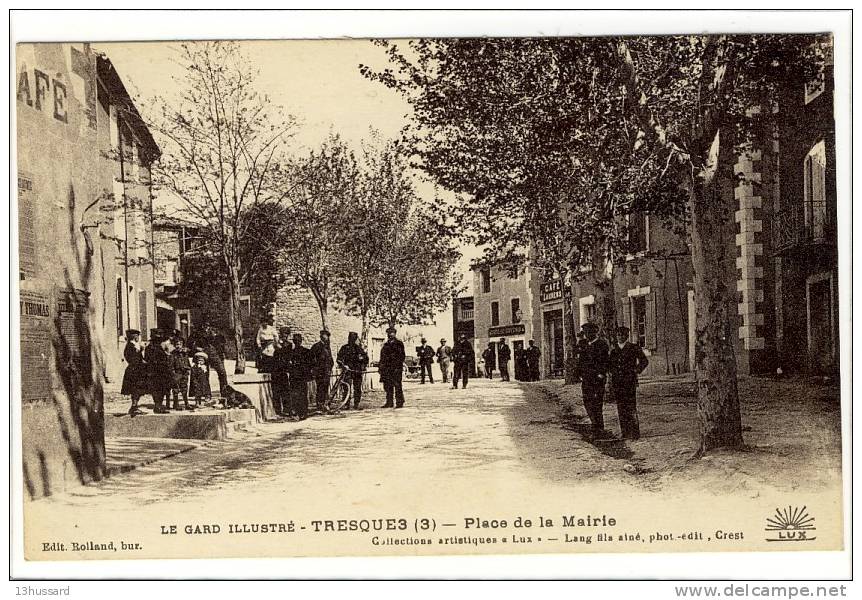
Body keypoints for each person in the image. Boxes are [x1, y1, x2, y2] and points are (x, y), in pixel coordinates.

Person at [608, 326, 649, 440]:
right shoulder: (614, 350)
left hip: (629, 381)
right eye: (618, 335)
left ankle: (635, 433)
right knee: (621, 407)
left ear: (626, 336)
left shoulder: (633, 347)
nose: (620, 337)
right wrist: (612, 372)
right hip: (617, 382)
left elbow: (644, 361)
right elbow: (610, 364)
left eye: (622, 335)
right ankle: (625, 432)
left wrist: (636, 370)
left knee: (631, 406)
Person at [579, 322, 610, 435]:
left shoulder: (602, 344)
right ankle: (594, 424)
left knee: (597, 403)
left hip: (597, 379)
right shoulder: (584, 345)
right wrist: (580, 374)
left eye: (589, 332)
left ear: (595, 332)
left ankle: (599, 427)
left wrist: (601, 373)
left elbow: (606, 361)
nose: (587, 334)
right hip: (586, 379)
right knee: (587, 401)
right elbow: (581, 361)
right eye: (585, 332)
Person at [336, 332, 370, 409]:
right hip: (347, 371)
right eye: (350, 338)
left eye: (353, 339)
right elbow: (338, 359)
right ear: (348, 338)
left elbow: (366, 359)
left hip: (356, 371)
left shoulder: (358, 348)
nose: (351, 340)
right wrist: (343, 365)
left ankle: (356, 404)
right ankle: (346, 404)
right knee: (346, 387)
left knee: (357, 388)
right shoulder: (344, 348)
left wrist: (362, 367)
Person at [121, 329, 148, 416]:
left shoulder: (134, 346)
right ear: (133, 336)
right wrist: (141, 350)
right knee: (135, 389)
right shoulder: (130, 346)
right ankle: (134, 407)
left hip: (137, 370)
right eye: (137, 336)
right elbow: (133, 359)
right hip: (134, 371)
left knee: (138, 389)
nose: (138, 338)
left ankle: (134, 407)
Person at [146, 334, 175, 414]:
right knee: (158, 389)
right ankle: (158, 406)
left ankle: (159, 405)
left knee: (161, 389)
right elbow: (150, 360)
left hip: (161, 372)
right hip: (157, 372)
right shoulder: (153, 348)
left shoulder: (157, 347)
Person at [287, 333, 313, 420]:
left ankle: (303, 412)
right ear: (294, 342)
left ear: (301, 341)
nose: (297, 342)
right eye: (295, 341)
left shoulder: (306, 351)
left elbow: (310, 364)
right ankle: (298, 412)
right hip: (294, 376)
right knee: (295, 394)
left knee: (302, 394)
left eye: (298, 341)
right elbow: (288, 364)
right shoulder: (290, 352)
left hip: (301, 376)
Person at [378, 326, 406, 408]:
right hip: (387, 369)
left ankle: (399, 402)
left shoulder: (399, 344)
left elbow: (402, 356)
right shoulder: (385, 345)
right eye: (388, 333)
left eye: (391, 333)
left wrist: (397, 365)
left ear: (395, 334)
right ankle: (389, 402)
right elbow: (382, 357)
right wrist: (381, 366)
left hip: (396, 368)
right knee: (388, 386)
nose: (390, 335)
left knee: (397, 385)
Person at [310, 330, 334, 413]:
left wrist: (330, 368)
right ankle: (319, 405)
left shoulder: (327, 347)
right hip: (319, 372)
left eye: (327, 336)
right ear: (321, 336)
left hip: (326, 371)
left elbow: (330, 359)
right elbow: (312, 359)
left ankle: (324, 404)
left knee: (325, 388)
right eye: (324, 336)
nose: (326, 337)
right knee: (320, 388)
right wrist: (315, 370)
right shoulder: (316, 346)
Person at [271, 327, 293, 416]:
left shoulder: (289, 344)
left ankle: (287, 409)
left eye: (287, 334)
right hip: (276, 369)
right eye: (284, 334)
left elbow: (289, 355)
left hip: (284, 370)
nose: (285, 336)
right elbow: (275, 354)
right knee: (276, 391)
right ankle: (278, 410)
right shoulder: (276, 344)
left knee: (286, 390)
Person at [170, 336, 193, 411]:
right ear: (174, 345)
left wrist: (188, 368)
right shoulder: (173, 354)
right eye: (177, 344)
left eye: (180, 344)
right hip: (177, 373)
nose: (178, 346)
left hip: (184, 372)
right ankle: (176, 404)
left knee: (184, 388)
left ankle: (186, 403)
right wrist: (173, 373)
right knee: (176, 389)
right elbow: (171, 364)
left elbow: (187, 361)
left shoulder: (184, 353)